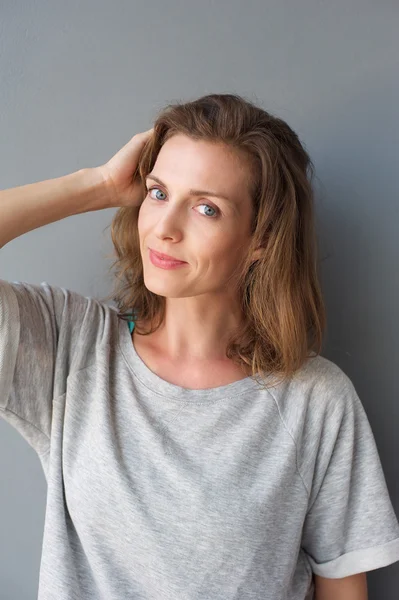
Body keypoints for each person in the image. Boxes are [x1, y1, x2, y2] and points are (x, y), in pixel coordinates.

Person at [0, 93, 398, 600]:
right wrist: (97, 184)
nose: (164, 229)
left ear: (261, 238)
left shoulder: (317, 401)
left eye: (206, 208)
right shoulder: (71, 346)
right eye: (159, 193)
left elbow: (343, 592)